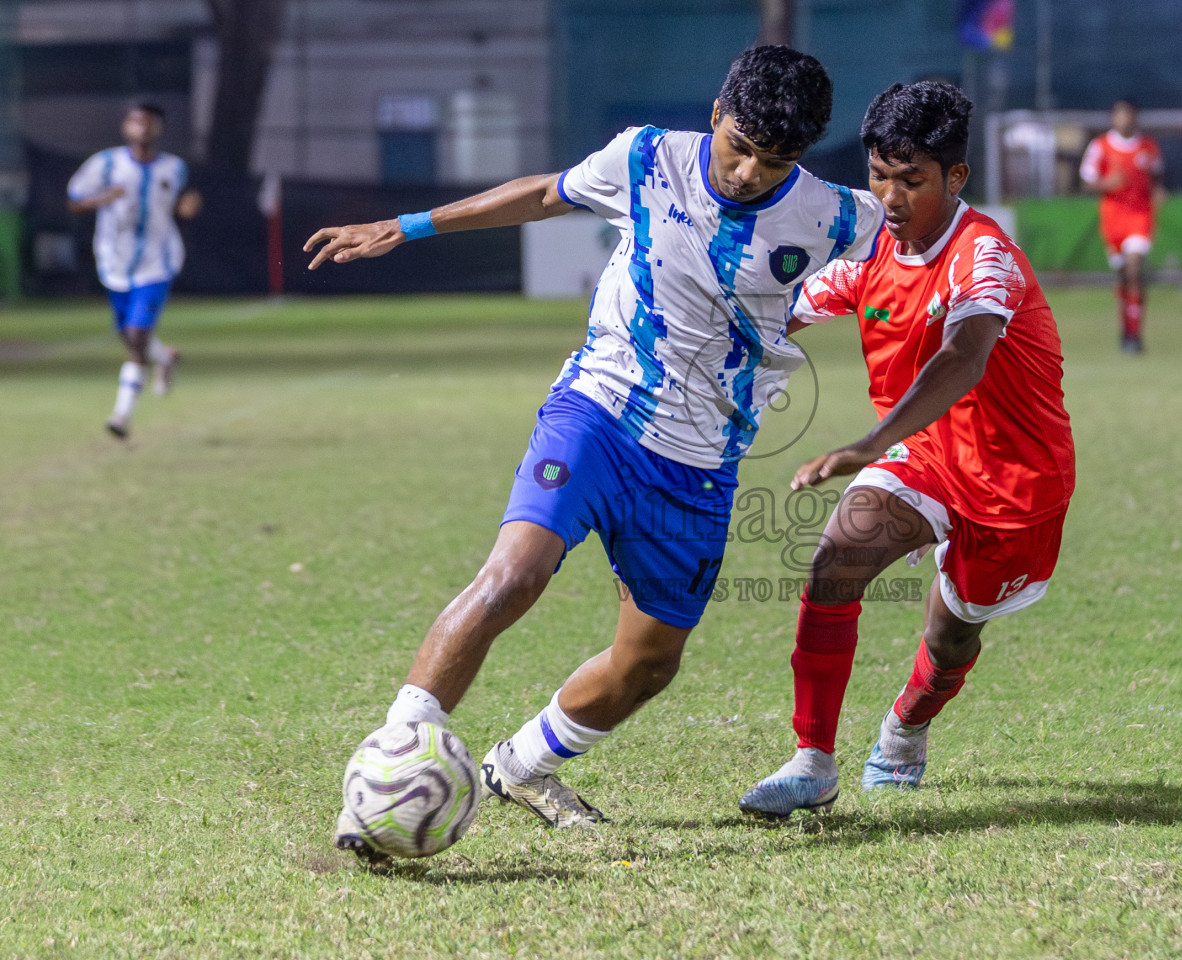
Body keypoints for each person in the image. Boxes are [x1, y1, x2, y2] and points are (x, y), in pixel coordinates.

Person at [306, 46, 882, 844]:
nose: (749, 171)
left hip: (701, 464)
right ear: (717, 112)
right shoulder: (647, 157)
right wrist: (405, 226)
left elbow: (928, 238)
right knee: (514, 575)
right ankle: (393, 757)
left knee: (648, 663)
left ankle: (522, 766)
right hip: (598, 412)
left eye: (774, 158)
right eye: (739, 145)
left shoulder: (838, 215)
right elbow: (545, 194)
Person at [737, 81, 1075, 818]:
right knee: (835, 559)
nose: (890, 197)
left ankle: (906, 727)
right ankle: (813, 762)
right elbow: (781, 316)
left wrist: (865, 443)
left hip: (1013, 479)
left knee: (951, 636)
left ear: (955, 178)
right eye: (879, 176)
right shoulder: (874, 249)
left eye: (912, 180)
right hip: (921, 452)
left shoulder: (984, 258)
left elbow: (965, 358)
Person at [68, 103, 202, 438]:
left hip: (157, 263)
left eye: (148, 121)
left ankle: (121, 416)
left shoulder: (174, 167)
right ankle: (166, 358)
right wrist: (100, 200)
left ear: (159, 127)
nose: (141, 126)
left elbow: (187, 199)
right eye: (135, 120)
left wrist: (190, 206)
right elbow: (74, 200)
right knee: (127, 334)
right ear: (126, 126)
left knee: (137, 338)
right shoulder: (106, 163)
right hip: (114, 262)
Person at [1079, 99, 1164, 354]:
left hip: (1140, 215)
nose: (1124, 119)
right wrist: (1108, 183)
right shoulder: (1101, 146)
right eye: (1119, 114)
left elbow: (1157, 176)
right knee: (1123, 276)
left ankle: (1135, 335)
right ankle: (1126, 327)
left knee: (1135, 269)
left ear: (1135, 117)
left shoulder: (1148, 147)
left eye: (1128, 114)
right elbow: (1086, 183)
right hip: (1113, 219)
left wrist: (1158, 190)